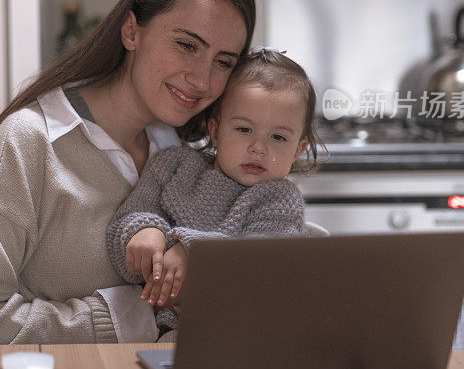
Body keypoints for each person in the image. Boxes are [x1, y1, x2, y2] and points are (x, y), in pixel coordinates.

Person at [0, 0, 256, 344]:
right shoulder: (28, 143)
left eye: (223, 62)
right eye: (187, 45)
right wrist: (127, 317)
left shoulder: (191, 159)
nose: (202, 80)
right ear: (131, 31)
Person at [107, 48, 321, 335]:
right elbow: (129, 219)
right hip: (155, 329)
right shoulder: (173, 165)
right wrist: (144, 233)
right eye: (244, 129)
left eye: (278, 137)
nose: (259, 147)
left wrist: (191, 251)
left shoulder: (279, 199)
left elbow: (260, 264)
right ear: (216, 131)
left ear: (298, 149)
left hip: (244, 334)